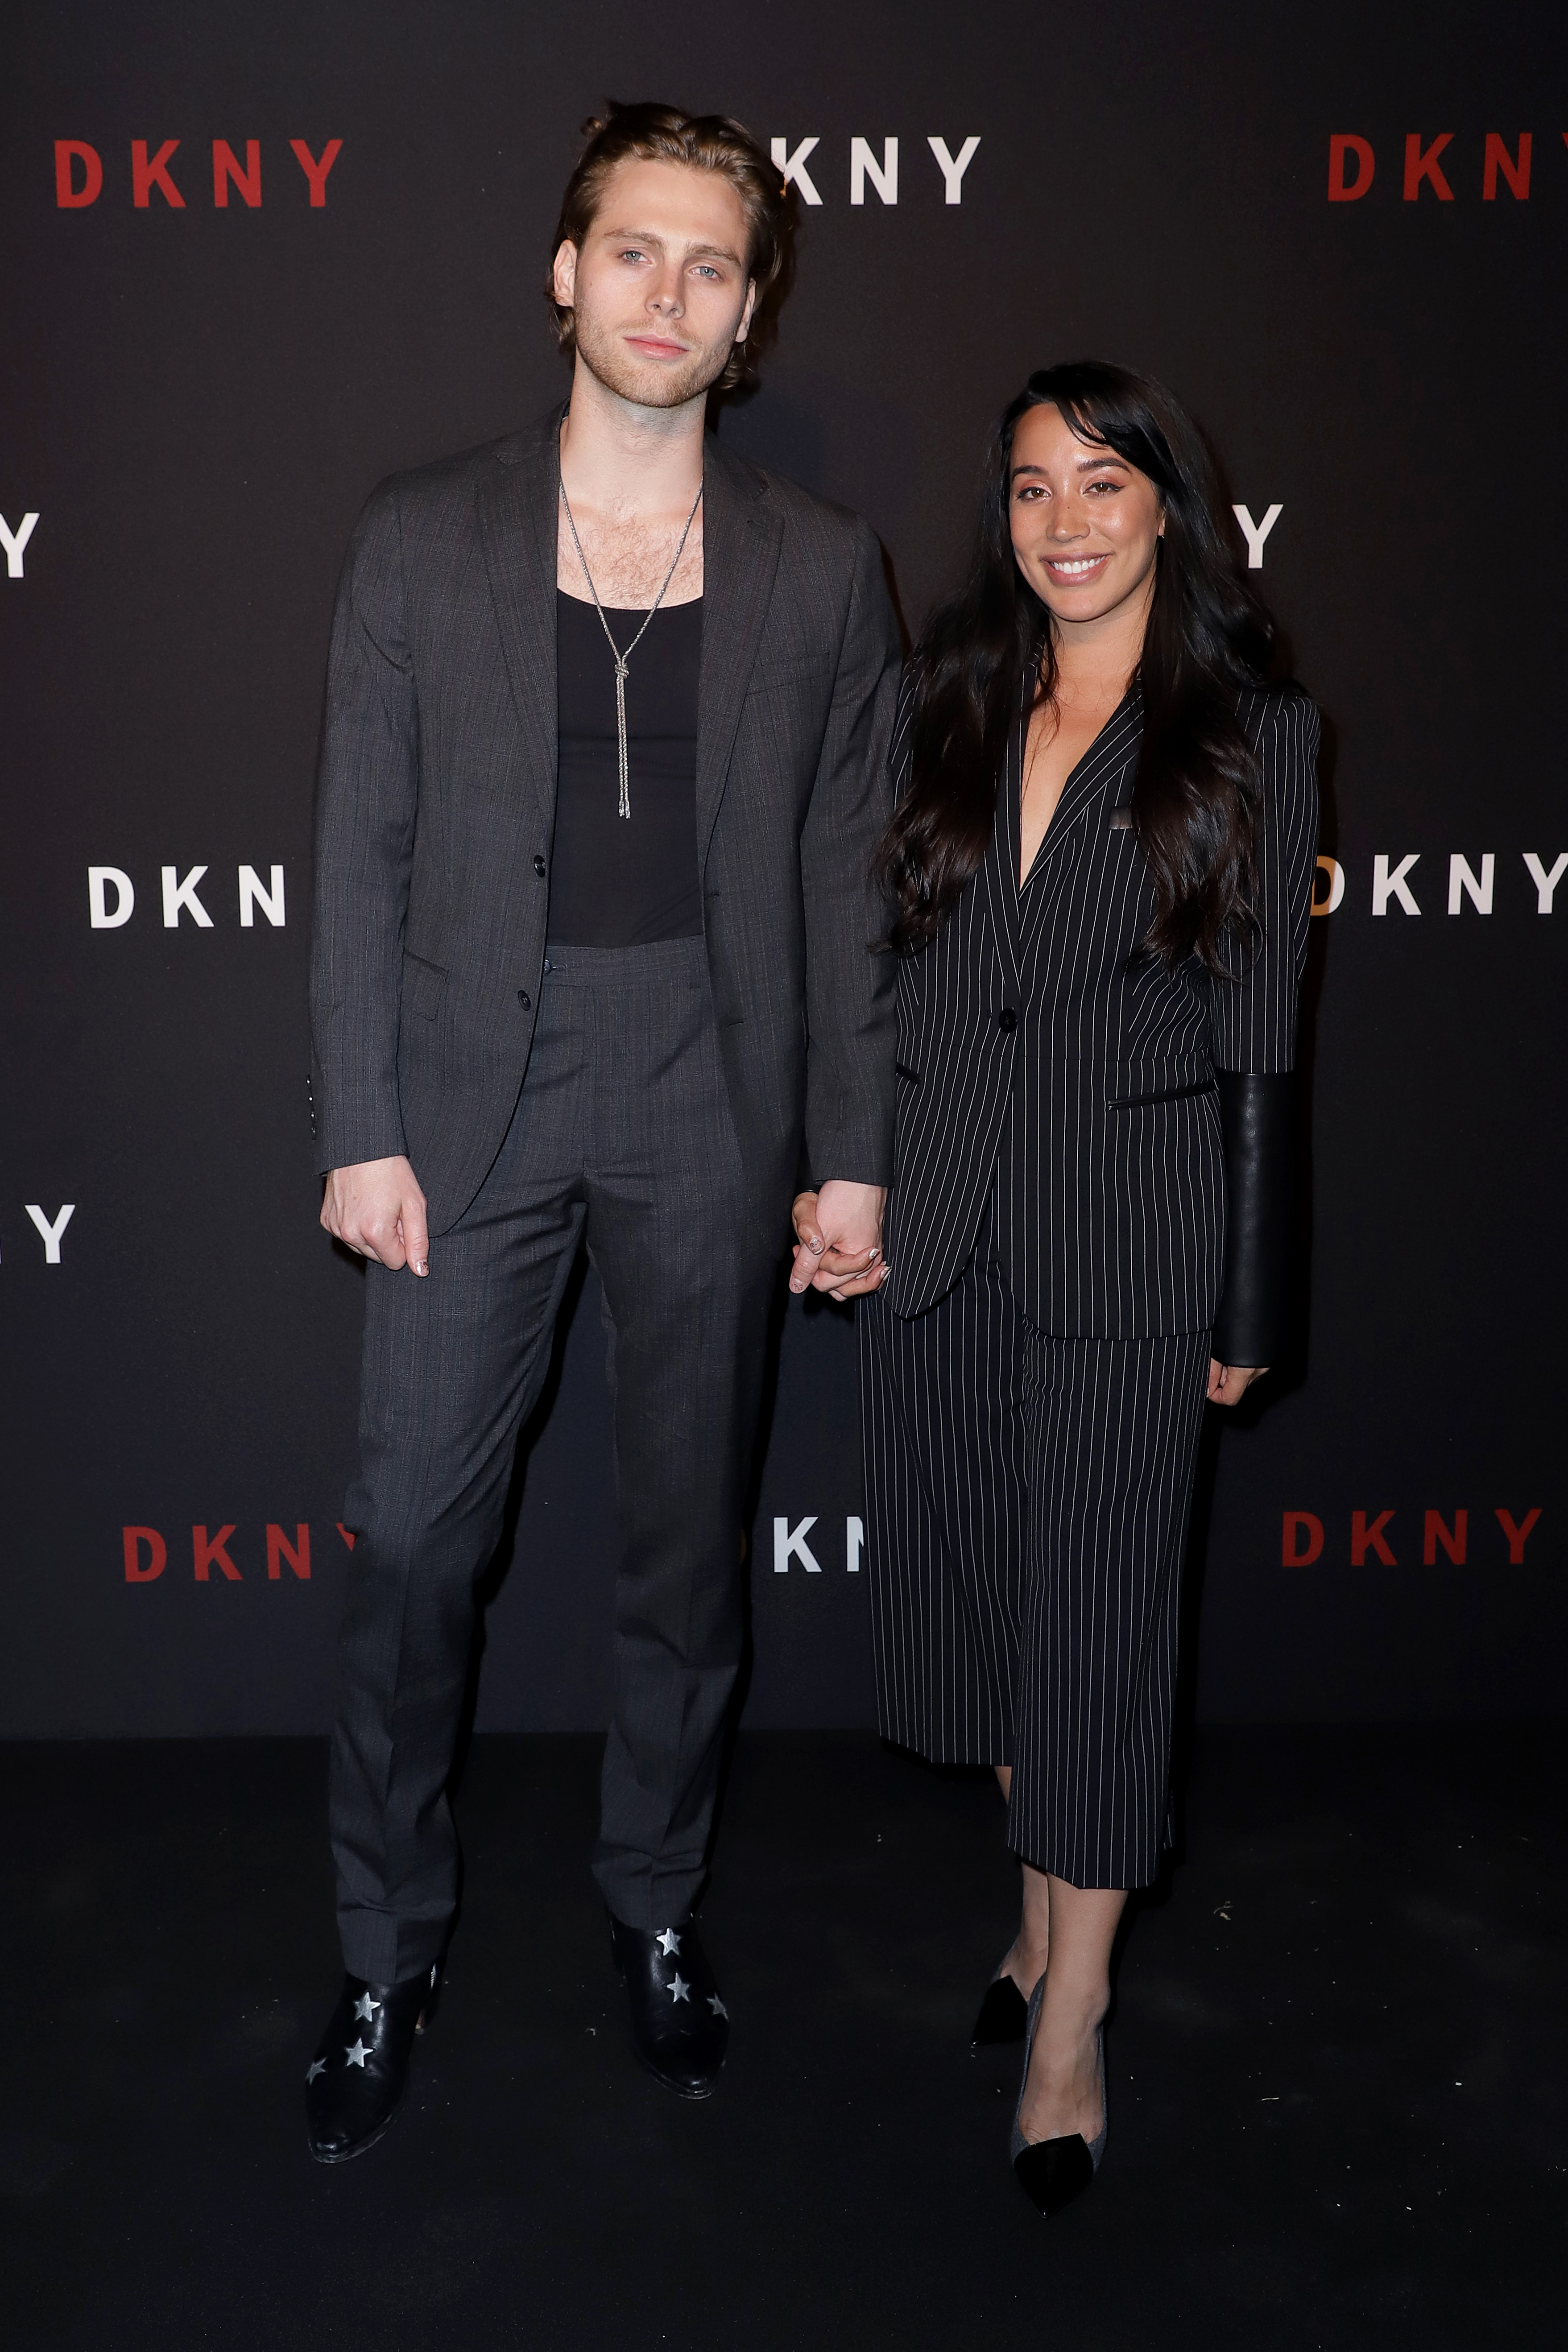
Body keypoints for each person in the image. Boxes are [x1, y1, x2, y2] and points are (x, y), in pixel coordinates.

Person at [304, 101, 899, 2163]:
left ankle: (653, 1903)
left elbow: (844, 881)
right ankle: (385, 1943)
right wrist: (361, 1122)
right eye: (634, 252)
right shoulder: (421, 530)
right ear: (566, 274)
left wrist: (853, 1142)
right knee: (409, 1549)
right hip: (471, 1086)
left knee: (680, 1558)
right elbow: (356, 852)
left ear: (750, 312)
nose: (669, 294)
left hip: (710, 1091)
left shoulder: (827, 571)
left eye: (711, 265)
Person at [792, 362, 1318, 2215]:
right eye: (1031, 489)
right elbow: (895, 955)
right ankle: (1032, 1920)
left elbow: (1263, 1037)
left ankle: (1073, 2017)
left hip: (1130, 1242)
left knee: (1098, 1634)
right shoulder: (957, 684)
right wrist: (850, 1181)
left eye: (1104, 484)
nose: (1066, 525)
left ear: (1171, 500)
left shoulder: (1248, 724)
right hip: (943, 1225)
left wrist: (1251, 1302)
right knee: (1009, 1612)